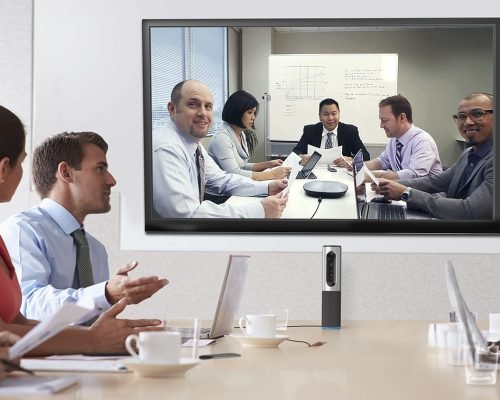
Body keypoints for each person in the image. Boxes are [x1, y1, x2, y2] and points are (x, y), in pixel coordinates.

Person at [0, 104, 162, 355]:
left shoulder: (95, 250)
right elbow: (29, 308)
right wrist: (103, 294)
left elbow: (32, 321)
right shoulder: (22, 230)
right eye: (100, 168)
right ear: (65, 172)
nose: (112, 180)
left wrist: (108, 307)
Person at [153, 80, 288, 218]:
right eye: (193, 104)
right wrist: (259, 210)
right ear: (172, 109)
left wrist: (266, 187)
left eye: (208, 106)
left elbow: (221, 180)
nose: (203, 113)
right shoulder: (167, 149)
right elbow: (188, 216)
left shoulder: (193, 144)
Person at [374, 93, 493, 220]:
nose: (468, 122)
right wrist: (388, 186)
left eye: (478, 114)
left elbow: (470, 211)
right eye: (462, 116)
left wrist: (406, 193)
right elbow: (434, 182)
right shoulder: (468, 153)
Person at [208, 90, 290, 181]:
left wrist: (269, 164)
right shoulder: (221, 138)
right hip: (220, 193)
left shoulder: (241, 134)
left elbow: (242, 166)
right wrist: (272, 174)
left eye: (254, 113)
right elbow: (234, 173)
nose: (253, 117)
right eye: (250, 112)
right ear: (237, 112)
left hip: (234, 187)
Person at [361, 94, 442, 180]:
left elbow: (413, 175)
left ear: (402, 118)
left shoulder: (423, 141)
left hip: (426, 193)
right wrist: (355, 166)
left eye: (385, 121)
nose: (381, 125)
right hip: (403, 191)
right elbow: (382, 161)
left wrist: (374, 176)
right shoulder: (394, 140)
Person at [292, 98, 370, 165]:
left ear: (339, 114)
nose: (330, 118)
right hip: (315, 172)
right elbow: (295, 154)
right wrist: (301, 158)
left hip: (342, 174)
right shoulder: (310, 131)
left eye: (334, 113)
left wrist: (351, 160)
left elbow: (366, 156)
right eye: (326, 114)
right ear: (320, 116)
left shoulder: (350, 131)